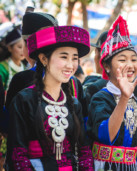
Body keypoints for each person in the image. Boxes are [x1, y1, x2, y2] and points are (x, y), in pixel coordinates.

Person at [6, 25, 93, 170]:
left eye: (74, 58)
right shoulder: (24, 100)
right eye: (64, 57)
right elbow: (17, 155)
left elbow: (84, 151)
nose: (70, 65)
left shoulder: (74, 104)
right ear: (44, 59)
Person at [87, 16, 137, 171]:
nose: (130, 65)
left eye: (133, 60)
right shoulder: (100, 98)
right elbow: (106, 135)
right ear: (106, 65)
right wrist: (124, 98)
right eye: (122, 60)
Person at [5, 11, 85, 115]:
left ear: (28, 46)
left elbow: (9, 123)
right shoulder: (74, 82)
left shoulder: (21, 79)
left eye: (74, 58)